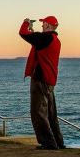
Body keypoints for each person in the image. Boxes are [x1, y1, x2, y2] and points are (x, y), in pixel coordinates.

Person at [19, 17, 65, 150]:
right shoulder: (55, 40)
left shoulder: (45, 38)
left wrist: (26, 23)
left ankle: (49, 143)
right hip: (50, 80)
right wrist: (33, 33)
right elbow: (37, 43)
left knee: (38, 112)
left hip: (40, 79)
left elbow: (22, 33)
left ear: (48, 25)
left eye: (44, 23)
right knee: (51, 114)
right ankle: (58, 142)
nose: (42, 24)